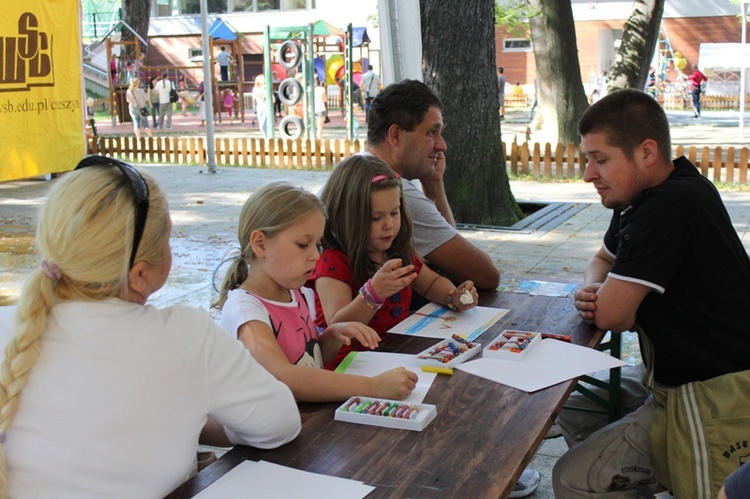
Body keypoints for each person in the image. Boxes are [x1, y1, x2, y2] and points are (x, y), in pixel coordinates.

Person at [0, 157, 300, 497]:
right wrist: (191, 416)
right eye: (168, 238)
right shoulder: (186, 336)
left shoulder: (11, 328)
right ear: (141, 274)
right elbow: (280, 424)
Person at [552, 89, 750, 498]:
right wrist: (596, 288)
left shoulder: (669, 205)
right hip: (668, 384)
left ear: (646, 152)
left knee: (573, 478)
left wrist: (602, 297)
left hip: (714, 396)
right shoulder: (645, 198)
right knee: (573, 403)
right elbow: (601, 261)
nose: (588, 174)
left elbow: (612, 316)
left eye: (600, 159)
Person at [213, 181, 418, 402]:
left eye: (317, 244)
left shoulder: (297, 294)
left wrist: (332, 337)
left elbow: (308, 358)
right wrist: (372, 387)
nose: (315, 256)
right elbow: (284, 377)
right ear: (261, 244)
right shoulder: (246, 310)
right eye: (303, 245)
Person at [309, 154, 478, 366]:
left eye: (394, 212)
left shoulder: (397, 251)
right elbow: (339, 327)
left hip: (395, 353)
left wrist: (454, 296)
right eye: (376, 218)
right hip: (349, 364)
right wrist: (373, 293)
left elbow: (430, 283)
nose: (389, 225)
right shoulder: (332, 261)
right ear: (347, 217)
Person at [365, 79, 501, 290]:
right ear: (396, 135)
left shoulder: (354, 168)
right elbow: (484, 275)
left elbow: (454, 256)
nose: (442, 145)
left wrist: (433, 184)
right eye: (431, 132)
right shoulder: (392, 192)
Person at [252, 74, 269, 138]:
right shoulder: (256, 88)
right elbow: (254, 96)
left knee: (263, 125)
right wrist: (262, 89)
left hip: (266, 108)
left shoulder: (267, 87)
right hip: (259, 107)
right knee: (261, 126)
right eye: (261, 79)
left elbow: (273, 99)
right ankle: (266, 138)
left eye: (263, 78)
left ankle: (268, 139)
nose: (263, 80)